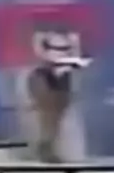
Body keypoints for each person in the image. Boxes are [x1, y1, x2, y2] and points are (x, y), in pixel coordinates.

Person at [27, 32, 91, 162]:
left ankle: (49, 148)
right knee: (48, 117)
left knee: (56, 119)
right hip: (46, 78)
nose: (62, 53)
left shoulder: (68, 68)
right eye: (57, 49)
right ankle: (45, 148)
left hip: (61, 79)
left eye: (65, 49)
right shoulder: (40, 72)